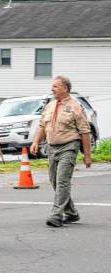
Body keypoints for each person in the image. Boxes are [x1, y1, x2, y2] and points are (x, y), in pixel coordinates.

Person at [30, 76, 92, 227]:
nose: (52, 89)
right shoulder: (50, 106)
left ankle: (56, 215)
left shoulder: (76, 107)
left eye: (55, 87)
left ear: (65, 88)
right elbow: (42, 126)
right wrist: (35, 142)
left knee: (63, 181)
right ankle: (71, 213)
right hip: (52, 147)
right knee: (54, 181)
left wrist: (87, 156)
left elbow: (85, 132)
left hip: (69, 147)